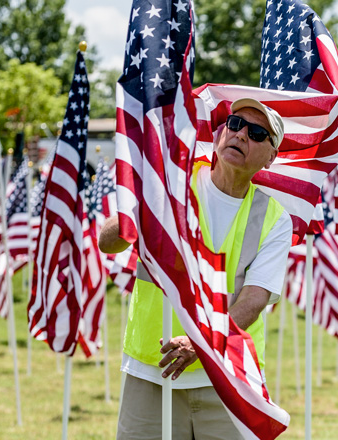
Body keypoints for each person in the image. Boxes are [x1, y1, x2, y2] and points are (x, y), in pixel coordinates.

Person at [101, 99, 292, 440]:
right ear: (220, 133)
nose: (241, 134)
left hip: (228, 376)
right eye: (235, 123)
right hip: (152, 369)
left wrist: (198, 345)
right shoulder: (171, 183)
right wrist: (144, 194)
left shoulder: (275, 218)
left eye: (257, 133)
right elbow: (108, 242)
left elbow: (253, 299)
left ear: (271, 157)